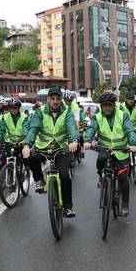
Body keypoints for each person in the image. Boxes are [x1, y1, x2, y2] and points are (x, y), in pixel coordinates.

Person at [22, 87, 80, 217]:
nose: (55, 101)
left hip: (61, 147)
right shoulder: (40, 112)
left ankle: (68, 207)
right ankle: (39, 180)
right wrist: (27, 145)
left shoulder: (67, 112)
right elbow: (34, 128)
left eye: (58, 99)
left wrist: (74, 141)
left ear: (61, 100)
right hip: (43, 146)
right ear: (48, 99)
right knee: (31, 157)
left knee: (65, 176)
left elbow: (71, 127)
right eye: (52, 99)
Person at [83, 90, 136, 217]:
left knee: (123, 177)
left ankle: (125, 204)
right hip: (105, 149)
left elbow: (130, 130)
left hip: (121, 150)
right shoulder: (98, 117)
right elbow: (91, 129)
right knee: (100, 161)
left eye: (110, 105)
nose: (107, 108)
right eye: (105, 105)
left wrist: (133, 143)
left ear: (114, 105)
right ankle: (101, 177)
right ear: (101, 106)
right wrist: (87, 140)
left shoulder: (122, 115)